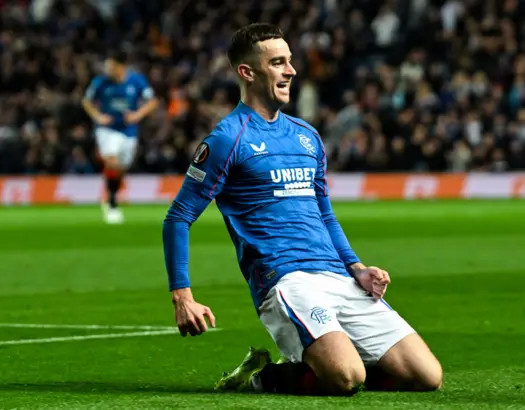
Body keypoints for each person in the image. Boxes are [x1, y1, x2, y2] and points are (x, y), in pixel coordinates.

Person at [162, 23, 442, 396]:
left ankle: (318, 363)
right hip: (285, 280)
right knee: (346, 378)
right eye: (278, 62)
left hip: (336, 277)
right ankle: (261, 377)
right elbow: (178, 218)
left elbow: (324, 214)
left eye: (289, 61)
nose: (291, 70)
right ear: (247, 72)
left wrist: (357, 268)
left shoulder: (306, 136)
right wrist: (183, 297)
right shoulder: (228, 139)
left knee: (426, 377)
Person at [82, 50, 158, 224]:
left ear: (121, 66)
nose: (108, 69)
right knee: (111, 160)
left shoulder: (137, 81)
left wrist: (137, 115)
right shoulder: (100, 82)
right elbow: (86, 101)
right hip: (107, 129)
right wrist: (97, 116)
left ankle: (111, 193)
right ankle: (112, 203)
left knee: (122, 167)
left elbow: (153, 101)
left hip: (129, 131)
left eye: (111, 66)